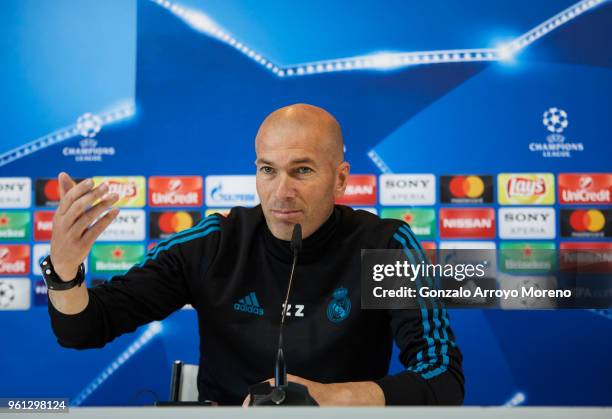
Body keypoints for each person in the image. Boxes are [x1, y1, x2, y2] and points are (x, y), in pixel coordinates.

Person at [46, 104, 464, 406]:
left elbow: (442, 378)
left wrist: (328, 401)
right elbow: (83, 328)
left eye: (302, 170)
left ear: (340, 179)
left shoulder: (385, 246)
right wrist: (65, 271)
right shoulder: (214, 241)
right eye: (268, 170)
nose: (282, 191)